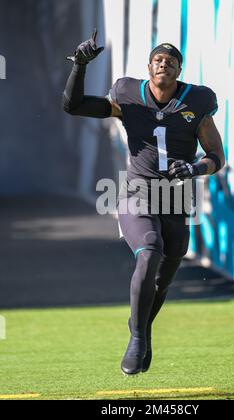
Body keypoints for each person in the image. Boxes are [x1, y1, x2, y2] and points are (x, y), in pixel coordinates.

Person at [63, 30, 225, 375]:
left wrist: (194, 167)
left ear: (179, 70)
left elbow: (216, 157)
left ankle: (142, 327)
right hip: (138, 190)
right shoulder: (128, 95)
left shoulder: (197, 101)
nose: (163, 62)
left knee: (164, 276)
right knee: (149, 250)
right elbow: (73, 106)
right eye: (157, 59)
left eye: (170, 60)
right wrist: (79, 66)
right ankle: (137, 338)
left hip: (177, 195)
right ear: (149, 67)